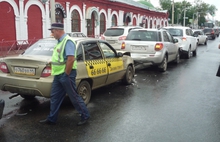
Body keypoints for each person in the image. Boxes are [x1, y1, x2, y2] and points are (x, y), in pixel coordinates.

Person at [39, 23, 90, 126]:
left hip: (66, 74)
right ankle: (52, 118)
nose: (52, 34)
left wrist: (66, 74)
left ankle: (85, 116)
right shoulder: (59, 42)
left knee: (73, 97)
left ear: (58, 30)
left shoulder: (68, 41)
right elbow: (60, 58)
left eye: (53, 32)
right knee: (55, 97)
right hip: (58, 74)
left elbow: (71, 59)